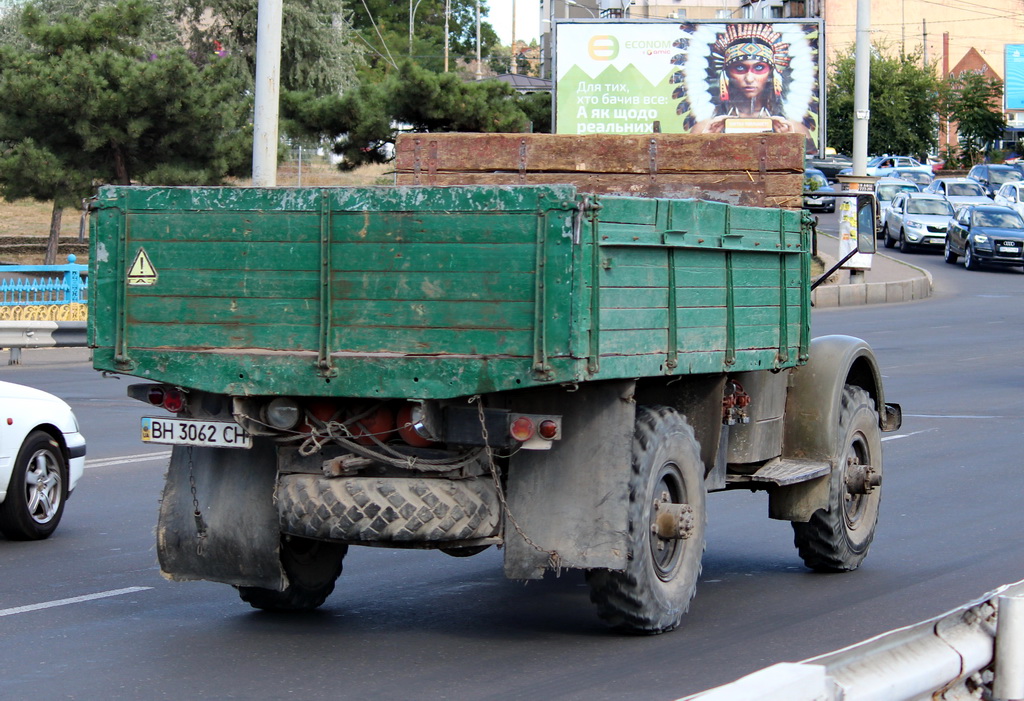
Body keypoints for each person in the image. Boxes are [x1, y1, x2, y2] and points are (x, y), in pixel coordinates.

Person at [683, 24, 811, 137]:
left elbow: (806, 161)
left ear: (771, 74)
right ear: (727, 74)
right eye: (740, 68)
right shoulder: (705, 128)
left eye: (759, 68)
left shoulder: (793, 128)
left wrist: (790, 142)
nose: (749, 78)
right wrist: (706, 141)